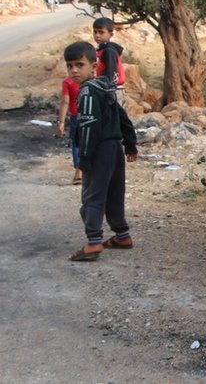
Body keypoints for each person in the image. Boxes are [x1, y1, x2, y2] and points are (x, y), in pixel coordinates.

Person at [63, 41, 138, 262]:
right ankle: (122, 235)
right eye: (70, 66)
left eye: (80, 65)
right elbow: (122, 117)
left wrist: (84, 160)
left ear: (93, 67)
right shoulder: (105, 87)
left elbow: (88, 127)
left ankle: (93, 241)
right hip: (114, 148)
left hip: (99, 149)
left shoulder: (87, 92)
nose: (74, 70)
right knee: (115, 193)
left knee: (93, 195)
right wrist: (130, 143)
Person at [92, 17, 126, 100]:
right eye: (95, 32)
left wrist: (108, 90)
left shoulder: (109, 51)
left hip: (113, 90)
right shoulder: (102, 49)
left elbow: (111, 72)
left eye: (101, 32)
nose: (97, 35)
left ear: (111, 34)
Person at [57, 75, 83, 185]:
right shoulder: (92, 80)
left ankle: (78, 172)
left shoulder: (68, 83)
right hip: (91, 116)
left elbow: (65, 102)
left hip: (76, 117)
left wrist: (61, 122)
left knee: (76, 144)